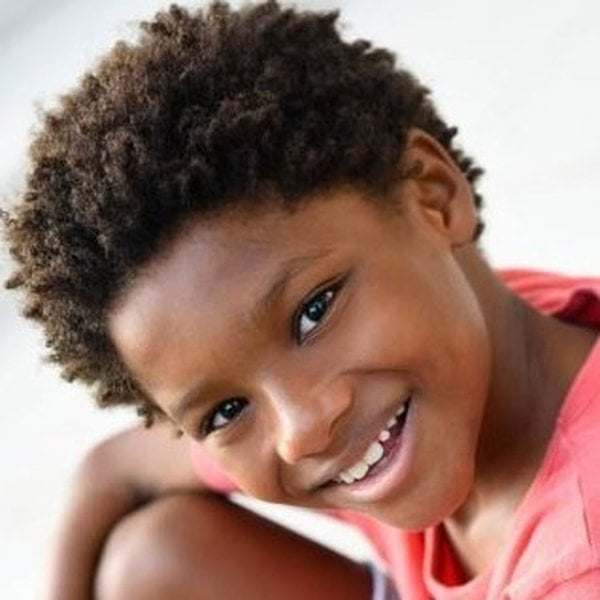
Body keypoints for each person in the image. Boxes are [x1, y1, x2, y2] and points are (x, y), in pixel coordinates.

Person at [3, 1, 599, 598]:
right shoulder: (467, 331)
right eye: (225, 412)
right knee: (152, 558)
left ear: (433, 197)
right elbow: (110, 470)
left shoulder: (577, 560)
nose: (301, 431)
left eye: (314, 313)